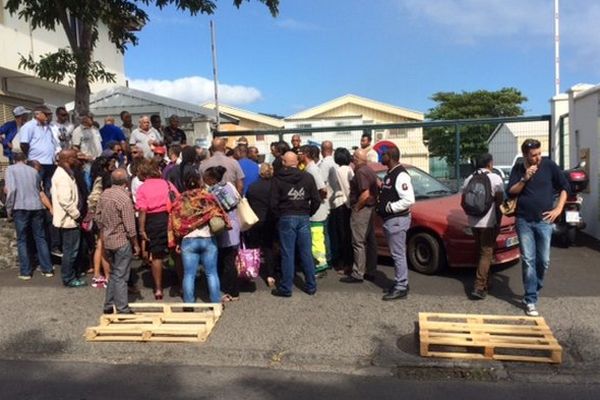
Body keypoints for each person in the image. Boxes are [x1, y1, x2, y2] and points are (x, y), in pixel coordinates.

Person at [507, 139, 569, 316]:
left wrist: (558, 208)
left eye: (539, 154)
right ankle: (530, 299)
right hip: (523, 220)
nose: (538, 158)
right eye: (534, 155)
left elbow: (565, 187)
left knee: (544, 261)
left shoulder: (549, 165)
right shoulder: (519, 168)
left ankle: (535, 286)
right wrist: (525, 178)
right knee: (528, 260)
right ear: (526, 155)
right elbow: (511, 191)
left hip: (544, 222)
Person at [270, 151, 320, 297]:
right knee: (306, 252)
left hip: (286, 216)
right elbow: (316, 199)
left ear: (284, 163)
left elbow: (273, 203)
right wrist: (309, 212)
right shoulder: (308, 177)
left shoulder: (277, 179)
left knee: (287, 253)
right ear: (297, 162)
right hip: (303, 216)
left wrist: (279, 216)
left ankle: (286, 287)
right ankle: (311, 285)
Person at [95, 168, 140, 314]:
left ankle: (108, 304)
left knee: (114, 273)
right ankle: (122, 307)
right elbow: (130, 226)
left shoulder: (104, 194)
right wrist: (136, 244)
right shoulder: (124, 199)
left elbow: (98, 217)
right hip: (121, 240)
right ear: (126, 181)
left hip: (108, 239)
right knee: (121, 276)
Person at [461, 153, 505, 300]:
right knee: (486, 252)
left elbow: (463, 202)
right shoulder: (495, 178)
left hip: (473, 222)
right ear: (490, 164)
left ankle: (487, 281)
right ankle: (479, 287)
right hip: (488, 222)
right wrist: (498, 220)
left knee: (482, 252)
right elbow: (500, 201)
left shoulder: (468, 179)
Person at [5, 152, 54, 280]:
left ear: (14, 160)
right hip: (36, 206)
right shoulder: (33, 171)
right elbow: (39, 190)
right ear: (25, 159)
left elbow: (12, 190)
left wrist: (8, 208)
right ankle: (47, 268)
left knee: (22, 240)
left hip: (20, 206)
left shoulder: (10, 169)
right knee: (40, 237)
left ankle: (25, 272)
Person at [135, 159, 180, 300]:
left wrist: (141, 230)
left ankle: (158, 288)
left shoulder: (142, 188)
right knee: (176, 253)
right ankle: (182, 284)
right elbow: (178, 200)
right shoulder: (167, 184)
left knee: (156, 255)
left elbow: (142, 211)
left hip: (153, 221)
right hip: (169, 219)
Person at [177, 170, 221, 304]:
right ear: (200, 181)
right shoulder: (207, 197)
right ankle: (215, 302)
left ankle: (189, 303)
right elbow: (218, 213)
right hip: (207, 237)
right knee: (211, 273)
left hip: (188, 239)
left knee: (189, 274)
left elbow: (175, 222)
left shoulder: (180, 200)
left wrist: (177, 241)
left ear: (184, 183)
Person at [377, 147, 415, 300]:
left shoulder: (401, 175)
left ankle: (401, 286)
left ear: (390, 156)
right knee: (396, 253)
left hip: (397, 220)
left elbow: (409, 199)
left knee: (398, 254)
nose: (381, 156)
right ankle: (400, 282)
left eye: (383, 154)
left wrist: (389, 207)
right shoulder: (390, 173)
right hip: (391, 221)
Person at [203, 166, 242, 302]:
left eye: (206, 177)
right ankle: (232, 290)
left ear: (212, 179)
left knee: (227, 261)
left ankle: (231, 290)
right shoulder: (229, 186)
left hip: (224, 228)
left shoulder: (215, 191)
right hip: (234, 224)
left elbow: (224, 206)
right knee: (230, 258)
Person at [340, 148, 379, 284]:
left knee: (358, 242)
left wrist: (356, 207)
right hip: (371, 208)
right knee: (370, 240)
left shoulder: (361, 172)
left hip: (362, 209)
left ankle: (358, 273)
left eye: (354, 157)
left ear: (356, 159)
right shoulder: (369, 170)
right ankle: (371, 270)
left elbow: (365, 194)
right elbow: (378, 184)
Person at [51, 149, 86, 287]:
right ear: (67, 159)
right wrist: (77, 215)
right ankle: (68, 278)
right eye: (75, 158)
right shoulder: (62, 176)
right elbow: (65, 200)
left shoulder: (67, 173)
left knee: (72, 250)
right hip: (69, 220)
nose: (77, 160)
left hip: (71, 218)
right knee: (70, 251)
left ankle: (71, 275)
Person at [87, 156, 117, 288]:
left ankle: (98, 273)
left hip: (98, 214)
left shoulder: (97, 177)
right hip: (104, 214)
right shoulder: (104, 178)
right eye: (111, 163)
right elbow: (94, 197)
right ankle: (105, 275)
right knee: (103, 245)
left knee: (100, 243)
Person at [246, 163, 277, 287]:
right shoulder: (275, 186)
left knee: (254, 246)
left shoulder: (253, 186)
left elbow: (248, 201)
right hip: (270, 219)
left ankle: (252, 270)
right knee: (269, 246)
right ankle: (270, 275)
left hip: (256, 219)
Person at [19, 105, 59, 196]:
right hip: (36, 162)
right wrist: (30, 157)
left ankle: (47, 207)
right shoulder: (29, 126)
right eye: (46, 114)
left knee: (49, 187)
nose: (48, 117)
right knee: (34, 187)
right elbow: (24, 144)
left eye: (49, 114)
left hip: (49, 162)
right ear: (37, 114)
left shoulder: (48, 127)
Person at [301, 145, 329, 273]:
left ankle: (320, 263)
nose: (298, 155)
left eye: (300, 152)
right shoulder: (309, 168)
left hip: (316, 211)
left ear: (306, 154)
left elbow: (322, 189)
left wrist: (315, 203)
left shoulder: (312, 169)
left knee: (316, 237)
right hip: (314, 209)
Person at [330, 147, 354, 273]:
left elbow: (346, 188)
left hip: (342, 204)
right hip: (347, 204)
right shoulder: (350, 169)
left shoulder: (339, 170)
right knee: (347, 235)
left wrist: (348, 204)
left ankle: (345, 263)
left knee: (342, 235)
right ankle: (348, 262)